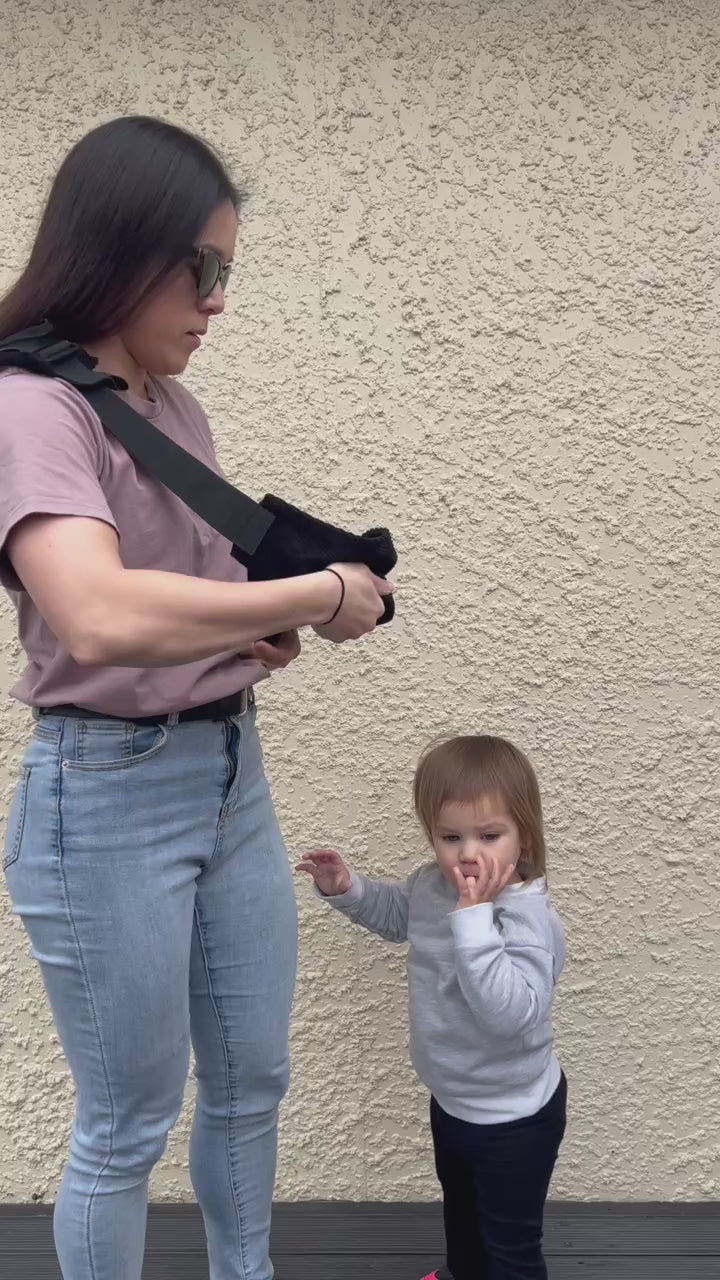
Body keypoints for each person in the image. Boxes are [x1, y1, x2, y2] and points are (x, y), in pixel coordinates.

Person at [0, 116, 393, 1280]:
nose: (218, 299)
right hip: (105, 791)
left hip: (228, 774)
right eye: (201, 267)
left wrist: (253, 631)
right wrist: (320, 592)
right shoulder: (32, 407)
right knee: (128, 1122)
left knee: (252, 1078)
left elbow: (185, 592)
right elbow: (97, 613)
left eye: (228, 270)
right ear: (120, 249)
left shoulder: (171, 406)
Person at [297, 735, 566, 1280]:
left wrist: (475, 918)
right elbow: (399, 917)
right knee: (462, 1217)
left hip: (515, 1116)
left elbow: (508, 1015)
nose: (468, 854)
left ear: (524, 834)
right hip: (451, 1099)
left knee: (511, 1244)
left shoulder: (526, 920)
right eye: (449, 837)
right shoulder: (431, 887)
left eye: (489, 836)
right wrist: (347, 889)